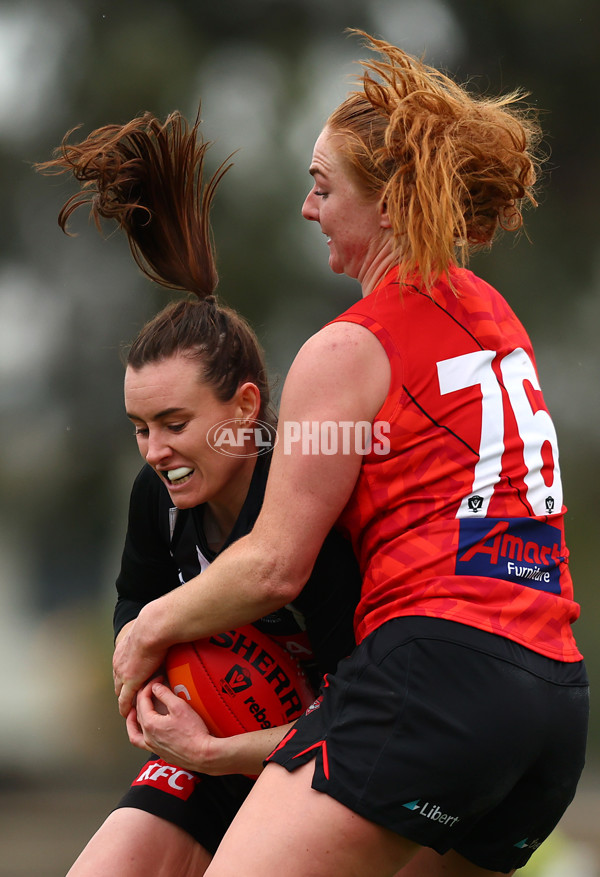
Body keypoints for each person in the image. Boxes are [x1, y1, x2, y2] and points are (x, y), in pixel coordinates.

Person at [111, 30, 589, 877]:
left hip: (433, 679)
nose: (308, 208)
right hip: (551, 703)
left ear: (392, 205)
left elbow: (273, 565)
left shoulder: (347, 347)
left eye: (322, 187)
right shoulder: (493, 316)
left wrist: (146, 628)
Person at [36, 110, 361, 876]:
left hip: (316, 764)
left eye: (175, 422)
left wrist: (220, 745)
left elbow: (356, 711)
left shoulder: (310, 508)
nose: (156, 452)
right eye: (139, 427)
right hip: (206, 753)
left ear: (245, 407)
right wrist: (147, 689)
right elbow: (133, 606)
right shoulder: (155, 501)